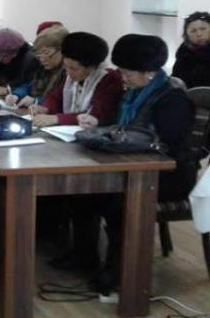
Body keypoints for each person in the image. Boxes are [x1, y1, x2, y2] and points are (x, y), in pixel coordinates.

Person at [78, 34, 196, 292]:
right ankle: (84, 257)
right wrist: (97, 123)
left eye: (127, 73)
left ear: (150, 72)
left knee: (116, 201)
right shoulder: (133, 93)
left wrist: (119, 138)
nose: (123, 78)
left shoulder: (172, 98)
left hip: (168, 174)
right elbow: (120, 124)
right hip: (131, 163)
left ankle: (120, 271)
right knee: (83, 190)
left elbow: (169, 145)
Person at [32, 32, 124, 128]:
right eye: (66, 66)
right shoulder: (72, 77)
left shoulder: (110, 80)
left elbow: (95, 114)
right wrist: (46, 108)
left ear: (91, 67)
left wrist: (57, 119)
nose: (68, 73)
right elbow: (56, 97)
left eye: (74, 69)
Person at [6, 26, 68, 108]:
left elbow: (62, 101)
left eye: (46, 53)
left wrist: (36, 101)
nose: (42, 59)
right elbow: (29, 87)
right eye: (39, 54)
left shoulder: (69, 74)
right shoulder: (44, 70)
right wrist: (16, 95)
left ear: (62, 50)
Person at [172, 11, 210, 88]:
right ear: (187, 35)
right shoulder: (183, 55)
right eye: (193, 31)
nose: (199, 34)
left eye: (203, 29)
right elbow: (176, 82)